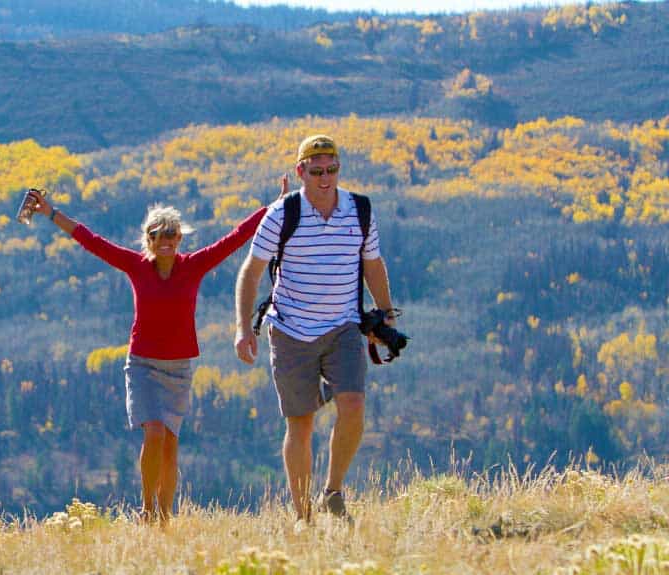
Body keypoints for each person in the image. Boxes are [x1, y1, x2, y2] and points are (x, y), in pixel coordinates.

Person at [25, 182, 284, 523]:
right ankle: (146, 509)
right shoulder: (136, 266)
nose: (165, 241)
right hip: (143, 364)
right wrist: (51, 213)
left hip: (179, 367)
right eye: (157, 235)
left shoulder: (194, 265)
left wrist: (273, 208)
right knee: (155, 433)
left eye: (171, 235)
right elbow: (91, 240)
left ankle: (164, 516)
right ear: (148, 239)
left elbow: (236, 237)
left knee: (171, 445)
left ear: (180, 238)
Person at [233, 135, 397, 523]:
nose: (325, 178)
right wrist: (243, 328)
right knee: (301, 423)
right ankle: (303, 516)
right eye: (316, 170)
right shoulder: (281, 214)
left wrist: (386, 314)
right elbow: (251, 272)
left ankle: (334, 491)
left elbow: (372, 264)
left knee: (354, 406)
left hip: (343, 325)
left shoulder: (360, 210)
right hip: (291, 330)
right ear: (300, 171)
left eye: (332, 169)